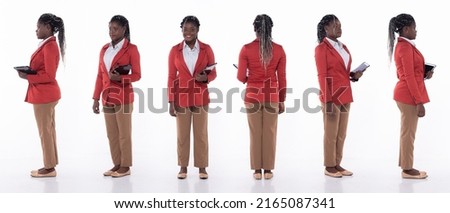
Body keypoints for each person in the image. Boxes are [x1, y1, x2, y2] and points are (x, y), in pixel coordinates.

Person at [237, 14, 286, 180]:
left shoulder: (246, 48)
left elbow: (240, 77)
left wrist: (248, 76)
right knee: (270, 133)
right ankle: (268, 170)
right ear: (271, 29)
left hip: (252, 95)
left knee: (255, 132)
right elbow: (282, 78)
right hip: (272, 95)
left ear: (254, 29)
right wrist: (282, 100)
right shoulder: (278, 49)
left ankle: (257, 170)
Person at [167, 15, 216, 180]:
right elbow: (171, 77)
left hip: (201, 96)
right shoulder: (175, 50)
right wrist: (171, 101)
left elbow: (214, 72)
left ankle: (202, 167)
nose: (188, 32)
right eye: (185, 29)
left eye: (192, 29)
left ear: (197, 30)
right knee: (182, 133)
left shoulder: (206, 49)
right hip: (181, 97)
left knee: (201, 133)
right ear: (181, 30)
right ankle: (183, 167)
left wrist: (206, 78)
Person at [315, 14, 363, 178]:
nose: (340, 28)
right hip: (331, 96)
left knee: (341, 133)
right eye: (336, 25)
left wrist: (354, 75)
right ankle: (329, 166)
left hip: (345, 94)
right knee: (331, 133)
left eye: (340, 25)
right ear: (326, 28)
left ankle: (337, 163)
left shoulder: (343, 47)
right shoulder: (321, 49)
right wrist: (327, 100)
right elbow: (322, 75)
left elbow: (341, 71)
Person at [92, 15, 141, 178]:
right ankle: (117, 164)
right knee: (111, 133)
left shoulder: (131, 49)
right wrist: (95, 98)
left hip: (123, 97)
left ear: (123, 29)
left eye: (115, 29)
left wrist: (120, 78)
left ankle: (125, 166)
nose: (111, 32)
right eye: (110, 28)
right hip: (107, 96)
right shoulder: (104, 49)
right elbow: (100, 74)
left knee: (124, 133)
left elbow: (137, 75)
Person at [17, 13, 65, 178]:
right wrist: (30, 72)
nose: (36, 30)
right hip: (45, 94)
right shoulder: (46, 45)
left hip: (45, 95)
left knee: (45, 131)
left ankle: (49, 168)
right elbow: (44, 70)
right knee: (49, 131)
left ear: (47, 27)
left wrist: (28, 76)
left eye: (38, 27)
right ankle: (51, 164)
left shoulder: (50, 46)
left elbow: (49, 76)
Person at [388, 13, 432, 179]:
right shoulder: (405, 47)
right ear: (406, 29)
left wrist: (425, 74)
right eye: (414, 28)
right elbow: (408, 77)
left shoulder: (406, 46)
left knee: (407, 132)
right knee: (408, 133)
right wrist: (419, 101)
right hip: (408, 96)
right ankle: (407, 169)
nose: (416, 31)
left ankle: (406, 166)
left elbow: (409, 73)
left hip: (407, 93)